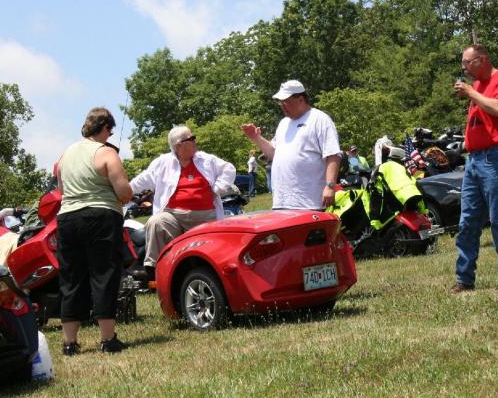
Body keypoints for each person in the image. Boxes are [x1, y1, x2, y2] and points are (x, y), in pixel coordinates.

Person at [56, 107, 133, 355]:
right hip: (100, 216)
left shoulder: (65, 155)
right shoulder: (106, 152)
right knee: (103, 274)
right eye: (110, 130)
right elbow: (124, 192)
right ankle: (108, 339)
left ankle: (69, 343)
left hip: (67, 218)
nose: (110, 135)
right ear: (104, 128)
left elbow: (61, 189)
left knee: (71, 278)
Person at [451, 44, 498, 292]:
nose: (464, 68)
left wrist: (472, 93)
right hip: (474, 160)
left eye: (467, 62)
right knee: (467, 221)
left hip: (496, 158)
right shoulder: (478, 87)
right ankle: (464, 279)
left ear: (482, 60)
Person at [130, 125, 235, 278]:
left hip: (205, 216)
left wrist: (216, 189)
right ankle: (153, 269)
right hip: (174, 216)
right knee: (156, 221)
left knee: (212, 249)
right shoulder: (163, 162)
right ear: (178, 145)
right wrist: (125, 190)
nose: (195, 141)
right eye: (191, 138)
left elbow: (229, 169)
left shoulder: (206, 159)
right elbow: (143, 180)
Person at [240, 80, 341, 210]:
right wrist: (256, 138)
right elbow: (274, 154)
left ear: (300, 99)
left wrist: (330, 186)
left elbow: (333, 154)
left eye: (286, 102)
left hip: (309, 204)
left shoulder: (320, 119)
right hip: (281, 202)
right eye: (280, 102)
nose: (282, 106)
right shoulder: (283, 123)